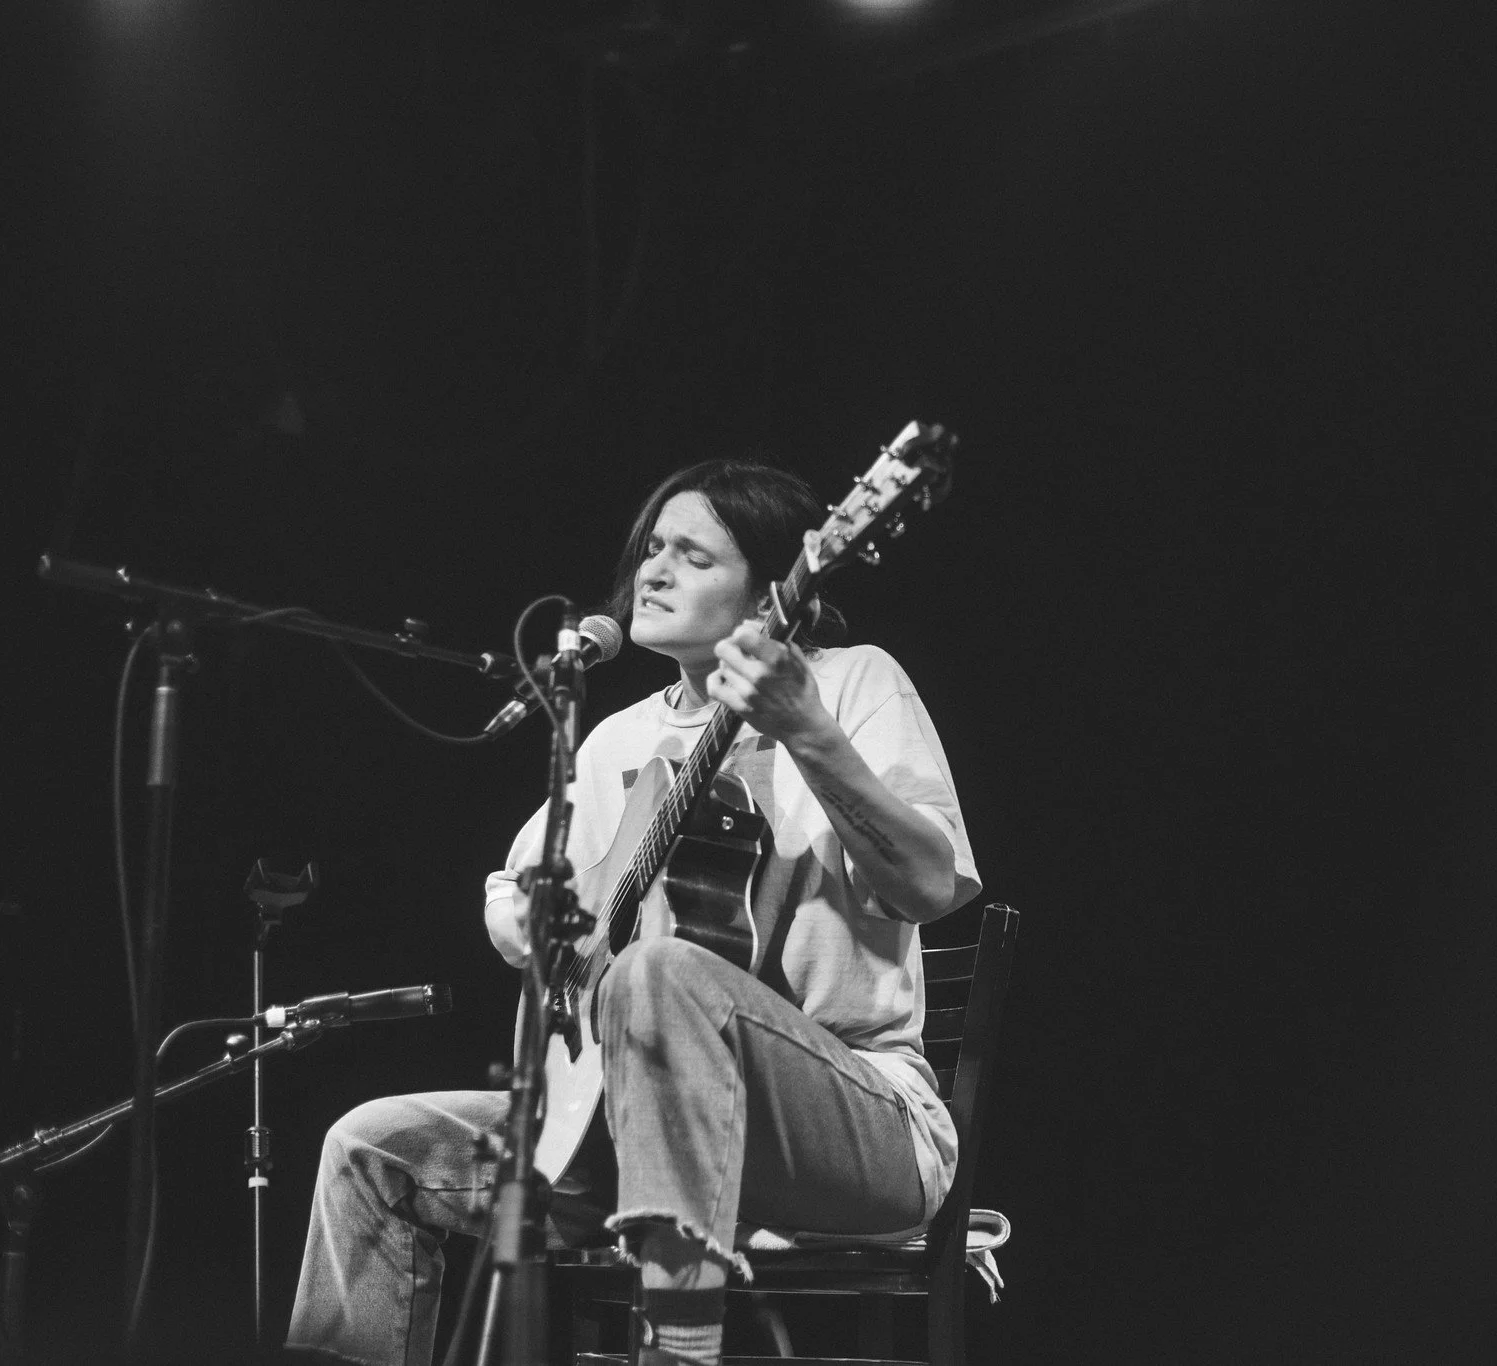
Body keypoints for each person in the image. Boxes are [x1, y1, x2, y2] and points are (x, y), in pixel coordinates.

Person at [287, 460, 980, 1366]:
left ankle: (677, 1350)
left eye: (692, 556)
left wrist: (806, 731)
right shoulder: (618, 739)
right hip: (633, 1120)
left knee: (661, 974)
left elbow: (932, 886)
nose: (651, 570)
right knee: (371, 1147)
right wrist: (545, 939)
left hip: (860, 1122)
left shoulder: (850, 683)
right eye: (652, 547)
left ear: (778, 590)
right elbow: (512, 888)